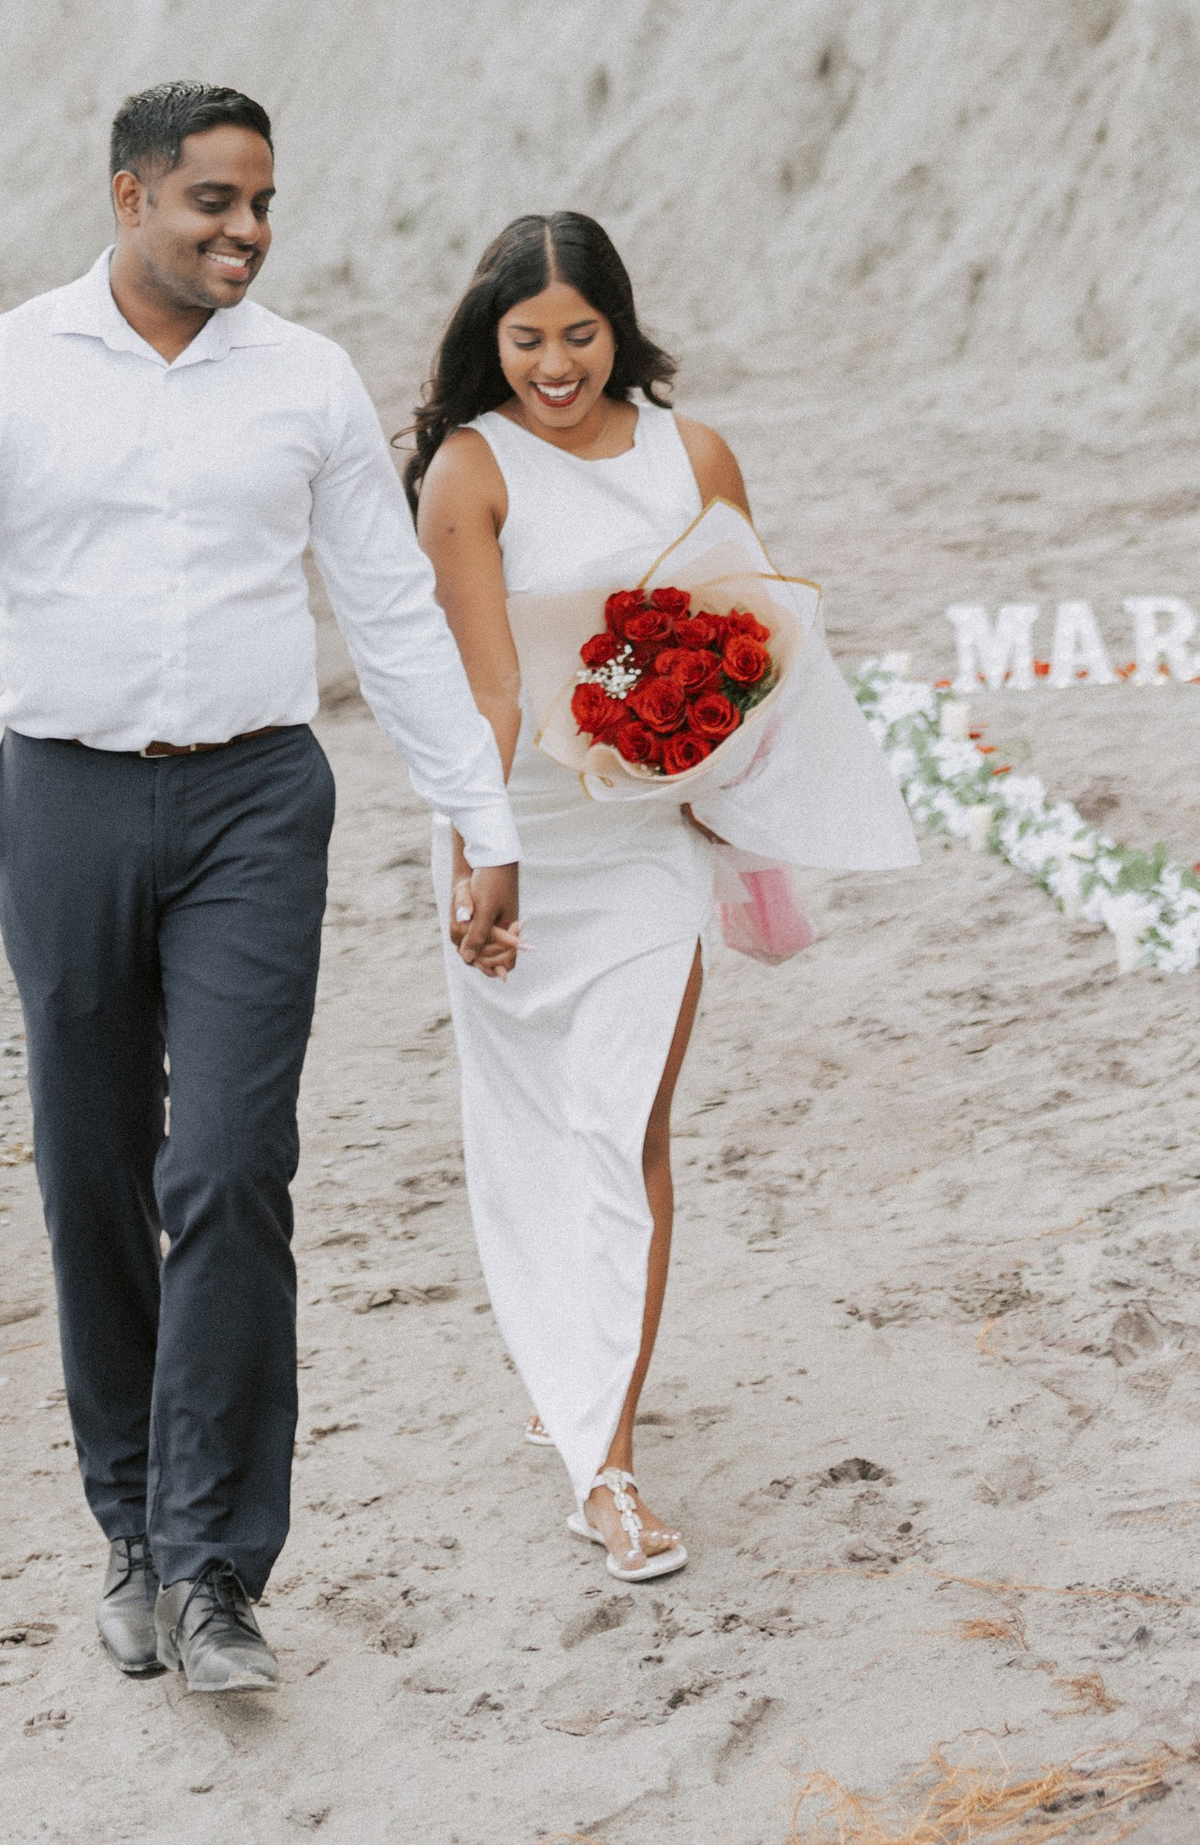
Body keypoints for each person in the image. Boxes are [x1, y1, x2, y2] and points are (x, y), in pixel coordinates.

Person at [0, 84, 522, 1694]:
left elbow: (391, 615)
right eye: (212, 203)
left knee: (236, 1166)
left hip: (259, 799)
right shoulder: (1, 373)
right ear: (128, 198)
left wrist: (482, 815)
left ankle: (217, 1569)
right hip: (63, 805)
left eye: (262, 204)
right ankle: (128, 1527)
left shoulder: (307, 382)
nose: (245, 231)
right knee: (93, 1174)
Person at [406, 210, 743, 1585]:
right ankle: (580, 1371)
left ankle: (604, 1468)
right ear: (493, 342)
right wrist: (486, 853)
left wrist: (729, 772)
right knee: (537, 1138)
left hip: (652, 844)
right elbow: (488, 689)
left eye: (580, 335)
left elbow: (749, 639)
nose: (556, 364)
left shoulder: (694, 454)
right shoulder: (468, 474)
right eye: (528, 339)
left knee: (623, 1129)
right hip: (524, 841)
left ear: (621, 327)